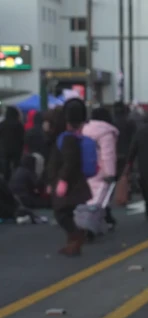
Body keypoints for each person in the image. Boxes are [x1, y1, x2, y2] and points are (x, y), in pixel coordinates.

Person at [47, 99, 92, 256]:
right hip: (73, 181)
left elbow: (70, 161)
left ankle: (76, 237)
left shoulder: (67, 138)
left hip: (68, 182)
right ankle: (73, 242)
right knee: (66, 212)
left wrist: (62, 180)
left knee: (61, 213)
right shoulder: (74, 137)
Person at [82, 107, 119, 231]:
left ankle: (87, 221)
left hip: (86, 167)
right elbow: (108, 154)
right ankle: (93, 223)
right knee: (100, 197)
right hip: (100, 170)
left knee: (88, 196)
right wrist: (110, 173)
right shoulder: (106, 132)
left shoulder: (84, 129)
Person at [0, 106, 25, 180]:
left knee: (6, 168)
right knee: (16, 167)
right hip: (16, 150)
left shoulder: (2, 124)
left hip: (4, 150)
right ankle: (15, 180)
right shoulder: (19, 124)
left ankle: (6, 182)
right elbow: (22, 138)